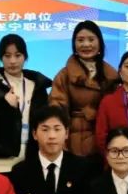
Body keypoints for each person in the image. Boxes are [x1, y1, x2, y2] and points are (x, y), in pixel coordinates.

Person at [0, 34, 52, 172]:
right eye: (7, 56)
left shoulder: (37, 86)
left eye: (18, 55)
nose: (12, 61)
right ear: (1, 58)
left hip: (32, 156)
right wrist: (3, 104)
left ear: (25, 57)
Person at [49, 20, 118, 163]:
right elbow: (57, 111)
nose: (86, 44)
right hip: (74, 144)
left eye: (91, 39)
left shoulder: (112, 76)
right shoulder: (64, 75)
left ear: (100, 43)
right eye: (80, 40)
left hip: (104, 143)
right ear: (74, 44)